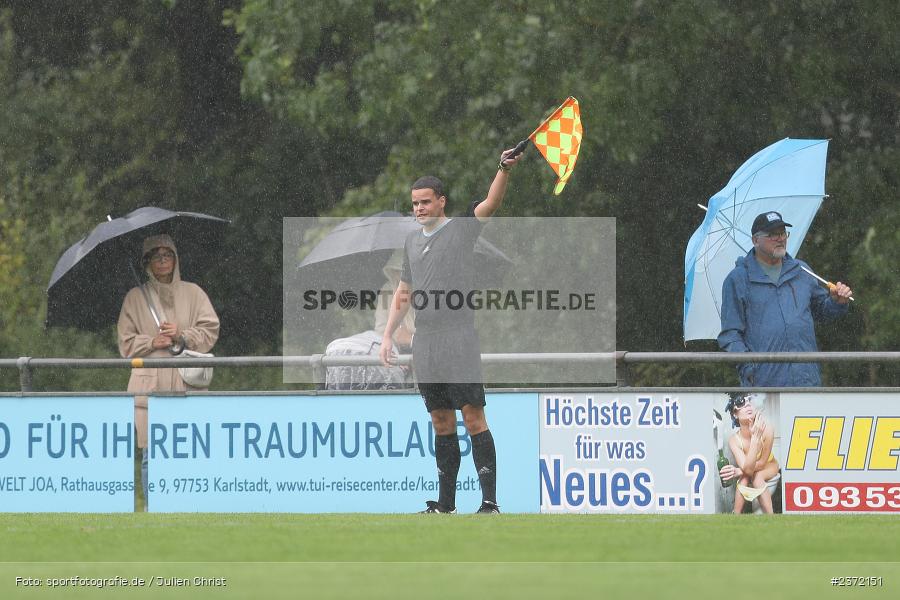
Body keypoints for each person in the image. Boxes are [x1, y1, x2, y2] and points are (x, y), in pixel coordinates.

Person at [379, 147, 522, 514]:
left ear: (441, 202)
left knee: (473, 418)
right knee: (441, 420)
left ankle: (489, 502)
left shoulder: (459, 229)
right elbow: (404, 291)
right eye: (414, 204)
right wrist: (387, 334)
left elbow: (490, 204)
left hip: (458, 337)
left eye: (425, 202)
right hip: (424, 342)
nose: (419, 209)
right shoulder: (411, 242)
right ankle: (445, 505)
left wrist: (503, 168)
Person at [117, 234, 220, 507]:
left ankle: (191, 506)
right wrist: (152, 342)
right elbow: (125, 344)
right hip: (149, 390)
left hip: (188, 387)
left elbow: (210, 331)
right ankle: (154, 509)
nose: (163, 261)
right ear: (146, 262)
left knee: (191, 453)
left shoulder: (194, 292)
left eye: (168, 255)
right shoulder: (134, 298)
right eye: (156, 256)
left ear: (175, 259)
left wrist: (182, 336)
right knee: (152, 454)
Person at [718, 211, 853, 386]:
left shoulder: (802, 271)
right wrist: (749, 368)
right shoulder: (737, 279)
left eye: (782, 233)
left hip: (807, 380)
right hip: (764, 385)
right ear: (755, 240)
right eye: (772, 235)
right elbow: (730, 334)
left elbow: (821, 311)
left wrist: (837, 302)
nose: (780, 238)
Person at [718, 393, 780, 514]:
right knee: (745, 479)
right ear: (735, 414)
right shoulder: (734, 440)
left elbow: (761, 463)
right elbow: (747, 470)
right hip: (749, 467)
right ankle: (736, 515)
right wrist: (743, 472)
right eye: (741, 403)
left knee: (757, 478)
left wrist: (738, 471)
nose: (747, 405)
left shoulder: (767, 428)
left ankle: (771, 516)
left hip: (769, 465)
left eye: (749, 401)